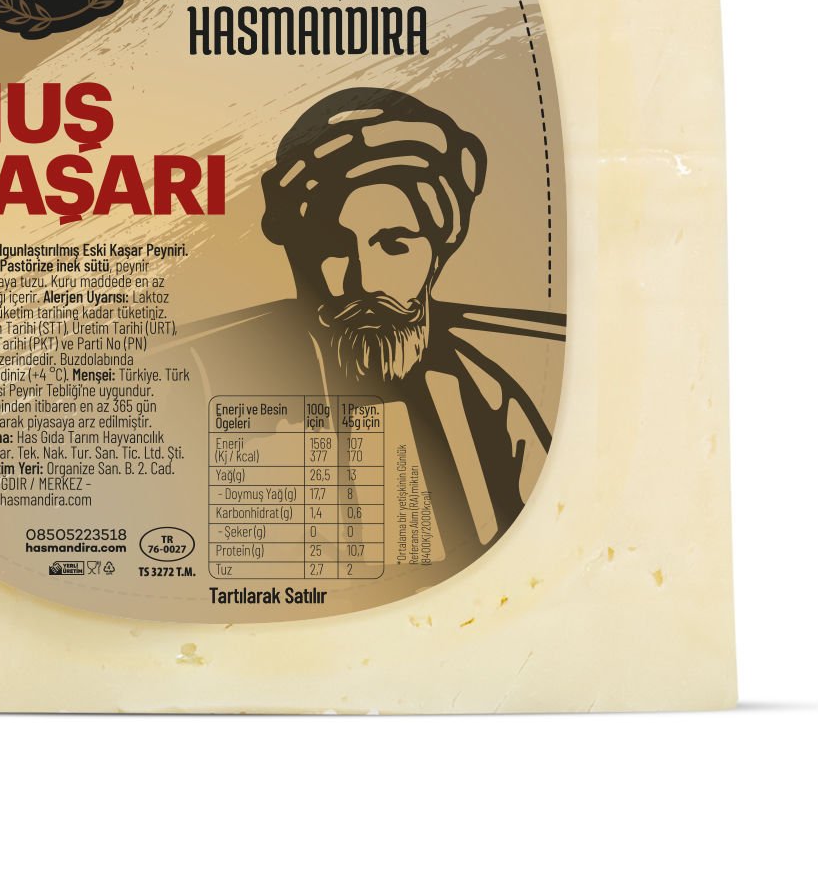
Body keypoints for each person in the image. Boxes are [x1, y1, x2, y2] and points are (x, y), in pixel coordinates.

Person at [165, 87, 557, 560]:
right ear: (299, 254)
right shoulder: (201, 383)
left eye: (395, 245)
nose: (365, 281)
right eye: (334, 246)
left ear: (437, 254)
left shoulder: (490, 399)